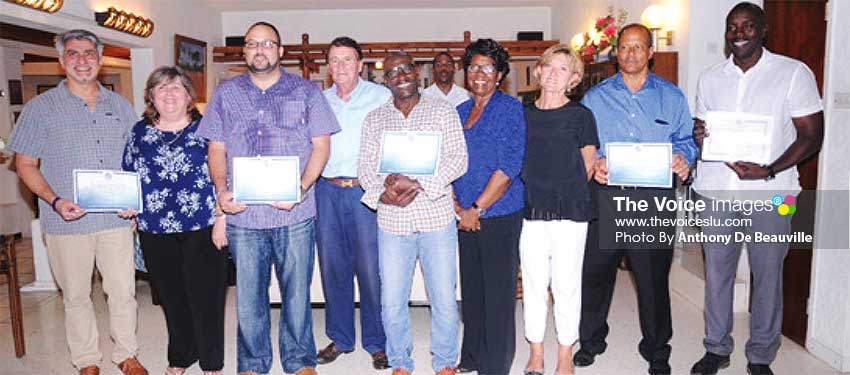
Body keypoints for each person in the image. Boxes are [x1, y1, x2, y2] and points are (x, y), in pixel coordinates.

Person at [196, 22, 340, 375]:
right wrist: (221, 192)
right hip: (244, 216)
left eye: (267, 43)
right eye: (251, 44)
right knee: (249, 298)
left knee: (295, 294)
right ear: (244, 51)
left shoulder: (306, 91)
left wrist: (301, 188)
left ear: (280, 50)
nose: (259, 50)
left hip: (295, 214)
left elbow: (321, 146)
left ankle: (299, 360)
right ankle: (253, 363)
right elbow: (216, 147)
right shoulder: (225, 94)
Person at [688, 3, 824, 375]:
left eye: (748, 25)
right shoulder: (710, 78)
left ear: (763, 30)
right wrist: (700, 135)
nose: (739, 33)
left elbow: (812, 135)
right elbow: (704, 134)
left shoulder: (793, 73)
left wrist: (768, 170)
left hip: (774, 192)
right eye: (732, 27)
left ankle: (761, 355)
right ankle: (716, 348)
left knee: (768, 275)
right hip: (717, 190)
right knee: (717, 274)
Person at [7, 29, 148, 375]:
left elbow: (136, 159)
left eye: (89, 53)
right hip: (66, 220)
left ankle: (127, 355)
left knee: (122, 292)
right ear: (61, 60)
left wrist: (135, 203)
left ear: (100, 60)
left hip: (116, 219)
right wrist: (55, 202)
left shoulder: (121, 105)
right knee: (75, 296)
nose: (82, 59)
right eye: (73, 53)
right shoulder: (40, 108)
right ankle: (86, 360)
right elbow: (24, 164)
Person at [575, 23, 697, 375]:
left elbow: (687, 140)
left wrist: (683, 159)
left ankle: (657, 348)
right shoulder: (596, 97)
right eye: (624, 47)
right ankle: (592, 340)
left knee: (652, 280)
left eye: (638, 47)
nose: (630, 54)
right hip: (607, 197)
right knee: (596, 275)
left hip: (651, 200)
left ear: (650, 52)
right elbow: (583, 142)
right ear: (616, 53)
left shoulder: (671, 97)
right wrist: (593, 162)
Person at [357, 52, 468, 375]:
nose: (400, 76)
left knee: (444, 298)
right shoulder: (375, 119)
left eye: (406, 69)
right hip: (392, 221)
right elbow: (365, 167)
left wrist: (418, 183)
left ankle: (445, 362)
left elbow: (458, 158)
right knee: (392, 299)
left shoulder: (443, 111)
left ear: (417, 72)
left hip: (436, 217)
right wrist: (385, 192)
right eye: (392, 72)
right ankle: (400, 363)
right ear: (385, 79)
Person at [121, 66, 229, 375]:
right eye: (161, 88)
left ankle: (211, 363)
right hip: (154, 227)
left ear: (189, 96)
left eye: (176, 88)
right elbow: (128, 172)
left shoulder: (209, 128)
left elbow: (226, 175)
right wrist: (129, 208)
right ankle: (181, 355)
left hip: (204, 223)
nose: (169, 94)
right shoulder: (139, 132)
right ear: (151, 96)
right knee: (172, 297)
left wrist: (223, 217)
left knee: (207, 297)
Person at [519, 44, 598, 375]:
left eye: (563, 69)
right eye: (549, 66)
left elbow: (588, 166)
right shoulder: (521, 112)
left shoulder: (581, 115)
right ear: (538, 70)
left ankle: (566, 351)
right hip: (530, 210)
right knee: (534, 283)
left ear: (574, 78)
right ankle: (536, 351)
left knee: (566, 284)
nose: (553, 73)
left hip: (570, 210)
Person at [315, 36, 390, 370]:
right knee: (333, 268)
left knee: (372, 271)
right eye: (334, 60)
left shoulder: (380, 97)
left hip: (366, 192)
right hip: (327, 191)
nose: (340, 67)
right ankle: (341, 338)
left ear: (361, 65)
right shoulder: (318, 100)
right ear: (328, 66)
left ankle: (377, 342)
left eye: (347, 60)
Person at [451, 38, 525, 375]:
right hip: (463, 214)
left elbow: (509, 166)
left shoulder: (510, 109)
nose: (479, 73)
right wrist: (456, 204)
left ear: (499, 75)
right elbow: (449, 162)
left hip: (498, 213)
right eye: (473, 67)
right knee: (473, 291)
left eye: (487, 67)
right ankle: (472, 357)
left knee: (497, 292)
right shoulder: (459, 112)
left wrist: (476, 208)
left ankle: (495, 365)